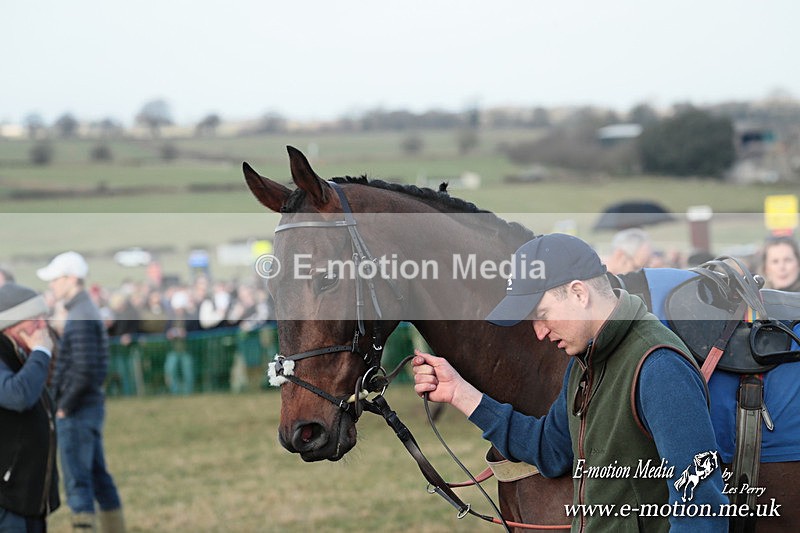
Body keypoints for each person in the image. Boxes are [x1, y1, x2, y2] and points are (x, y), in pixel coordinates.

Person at [412, 234, 727, 532]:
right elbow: (550, 449)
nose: (539, 332)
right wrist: (459, 392)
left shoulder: (659, 366)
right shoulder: (585, 362)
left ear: (579, 293)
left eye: (542, 314)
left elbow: (701, 506)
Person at [36, 252, 125, 533]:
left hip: (77, 409)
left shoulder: (81, 313)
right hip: (85, 406)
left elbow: (85, 369)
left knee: (78, 482)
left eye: (56, 279)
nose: (52, 285)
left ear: (71, 278)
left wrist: (64, 406)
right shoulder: (83, 310)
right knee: (97, 476)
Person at [0, 283, 60, 532]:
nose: (42, 327)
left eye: (44, 318)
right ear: (11, 325)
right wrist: (42, 351)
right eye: (35, 320)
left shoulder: (22, 354)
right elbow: (18, 396)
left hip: (28, 494)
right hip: (6, 498)